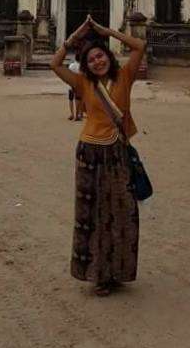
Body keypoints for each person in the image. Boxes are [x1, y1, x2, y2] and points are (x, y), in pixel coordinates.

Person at [50, 15, 147, 297]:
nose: (97, 62)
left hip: (117, 152)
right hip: (89, 153)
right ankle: (98, 274)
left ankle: (117, 271)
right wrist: (74, 36)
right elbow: (54, 64)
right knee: (92, 215)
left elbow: (139, 46)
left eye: (100, 56)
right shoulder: (83, 83)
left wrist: (107, 31)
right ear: (86, 64)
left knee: (121, 213)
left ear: (108, 56)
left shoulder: (124, 77)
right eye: (91, 59)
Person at [67, 51, 84, 121]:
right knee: (78, 99)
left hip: (71, 84)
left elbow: (68, 75)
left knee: (71, 99)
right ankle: (77, 115)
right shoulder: (81, 67)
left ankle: (72, 114)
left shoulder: (71, 65)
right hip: (78, 85)